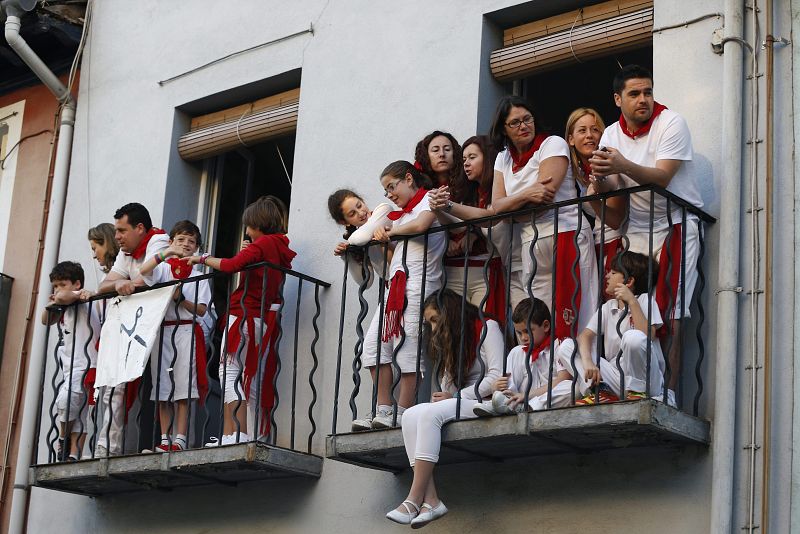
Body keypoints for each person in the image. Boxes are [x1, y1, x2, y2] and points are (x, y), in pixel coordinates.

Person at [590, 64, 703, 406]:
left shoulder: (671, 122)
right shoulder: (611, 135)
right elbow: (614, 200)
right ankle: (629, 386)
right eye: (635, 93)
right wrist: (597, 181)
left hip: (677, 223)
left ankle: (668, 394)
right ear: (618, 99)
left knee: (672, 312)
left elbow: (663, 177)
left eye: (648, 92)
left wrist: (621, 165)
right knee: (624, 306)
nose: (644, 99)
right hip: (635, 229)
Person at [386, 289, 503, 527]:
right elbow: (449, 383)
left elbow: (496, 375)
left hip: (487, 402)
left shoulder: (487, 327)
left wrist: (456, 396)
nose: (433, 328)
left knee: (429, 414)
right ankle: (431, 500)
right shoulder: (453, 337)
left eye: (435, 320)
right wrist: (447, 395)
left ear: (449, 313)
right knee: (410, 415)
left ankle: (414, 498)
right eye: (429, 323)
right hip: (462, 402)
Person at [187, 196, 296, 445]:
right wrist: (250, 253)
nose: (246, 231)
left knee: (229, 373)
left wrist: (202, 258)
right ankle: (254, 435)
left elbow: (230, 266)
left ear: (258, 223)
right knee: (251, 378)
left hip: (243, 316)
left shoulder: (263, 244)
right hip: (262, 320)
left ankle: (234, 434)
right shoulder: (277, 245)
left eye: (249, 226)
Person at [488, 95, 598, 340]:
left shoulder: (552, 144)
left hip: (566, 233)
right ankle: (548, 364)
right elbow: (497, 206)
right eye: (515, 122)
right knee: (540, 317)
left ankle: (579, 361)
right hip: (531, 241)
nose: (523, 126)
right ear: (503, 129)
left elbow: (543, 201)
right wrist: (526, 194)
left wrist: (511, 208)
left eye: (527, 119)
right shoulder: (503, 158)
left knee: (577, 310)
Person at [352, 161, 446, 431]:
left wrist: (390, 232)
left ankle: (403, 412)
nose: (389, 194)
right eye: (386, 191)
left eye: (392, 187)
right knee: (373, 348)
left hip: (419, 285)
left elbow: (422, 225)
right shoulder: (399, 215)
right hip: (396, 287)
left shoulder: (428, 199)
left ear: (408, 179)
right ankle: (384, 408)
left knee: (408, 349)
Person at [96, 203, 169, 456]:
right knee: (115, 386)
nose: (116, 236)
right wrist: (121, 283)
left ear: (140, 228)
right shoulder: (125, 252)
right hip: (132, 326)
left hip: (159, 326)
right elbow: (104, 285)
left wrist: (125, 283)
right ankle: (108, 447)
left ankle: (169, 442)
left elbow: (148, 278)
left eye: (121, 230)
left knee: (165, 387)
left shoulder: (159, 240)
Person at [429, 135, 526, 316]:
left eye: (472, 157)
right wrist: (438, 209)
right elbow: (467, 224)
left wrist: (446, 206)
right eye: (464, 159)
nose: (466, 163)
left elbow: (489, 218)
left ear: (488, 158)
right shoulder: (476, 193)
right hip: (510, 267)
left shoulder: (503, 186)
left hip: (524, 263)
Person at [139, 220, 211, 452]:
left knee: (183, 387)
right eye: (180, 239)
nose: (186, 244)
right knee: (162, 387)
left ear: (197, 247)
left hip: (187, 330)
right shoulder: (164, 269)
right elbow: (143, 271)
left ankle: (179, 438)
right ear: (171, 241)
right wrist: (166, 253)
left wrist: (180, 299)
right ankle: (164, 438)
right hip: (163, 330)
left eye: (191, 241)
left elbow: (202, 310)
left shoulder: (200, 275)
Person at [559, 251, 664, 405]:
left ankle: (638, 392)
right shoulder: (608, 306)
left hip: (646, 381)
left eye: (613, 273)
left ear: (629, 281)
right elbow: (585, 336)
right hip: (616, 379)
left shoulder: (644, 300)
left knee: (632, 337)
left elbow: (648, 335)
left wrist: (631, 301)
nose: (607, 276)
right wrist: (588, 362)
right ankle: (599, 390)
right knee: (567, 346)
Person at [415, 131, 488, 309]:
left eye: (447, 149)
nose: (442, 154)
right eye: (435, 150)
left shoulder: (469, 181)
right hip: (446, 269)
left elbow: (482, 211)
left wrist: (474, 234)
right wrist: (445, 242)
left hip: (480, 263)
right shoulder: (421, 190)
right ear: (426, 156)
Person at [40, 261, 99, 461]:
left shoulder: (81, 299)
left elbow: (63, 297)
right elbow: (45, 320)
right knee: (76, 408)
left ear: (77, 284)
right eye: (55, 286)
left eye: (62, 284)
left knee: (71, 404)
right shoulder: (66, 304)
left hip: (87, 363)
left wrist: (63, 297)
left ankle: (66, 442)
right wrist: (54, 303)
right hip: (72, 366)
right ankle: (71, 451)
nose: (57, 289)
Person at [473, 297, 571, 416]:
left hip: (545, 400)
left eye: (527, 331)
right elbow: (506, 380)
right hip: (523, 397)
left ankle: (525, 406)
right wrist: (495, 388)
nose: (523, 338)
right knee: (517, 351)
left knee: (571, 386)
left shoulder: (558, 345)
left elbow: (563, 379)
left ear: (545, 326)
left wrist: (527, 396)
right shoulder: (519, 352)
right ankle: (507, 401)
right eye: (519, 333)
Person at [565, 107, 627, 291]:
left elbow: (615, 221)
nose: (589, 135)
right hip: (594, 246)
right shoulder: (571, 172)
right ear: (570, 139)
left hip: (618, 243)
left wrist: (594, 197)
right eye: (582, 130)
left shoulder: (610, 163)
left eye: (595, 129)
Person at [327, 188, 390, 288]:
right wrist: (346, 256)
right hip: (392, 286)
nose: (361, 213)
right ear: (344, 222)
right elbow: (366, 283)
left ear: (362, 201)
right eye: (352, 214)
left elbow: (361, 237)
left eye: (359, 205)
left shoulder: (384, 210)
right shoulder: (357, 240)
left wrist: (349, 244)